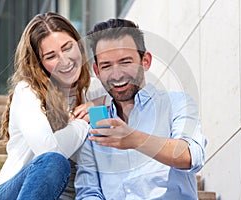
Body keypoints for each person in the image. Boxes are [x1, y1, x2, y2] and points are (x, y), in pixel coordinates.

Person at [74, 19, 207, 200]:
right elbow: (88, 193)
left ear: (145, 61)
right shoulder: (93, 129)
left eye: (125, 62)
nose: (117, 74)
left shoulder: (177, 103)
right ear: (97, 71)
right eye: (106, 66)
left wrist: (134, 139)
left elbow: (191, 156)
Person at [0, 12, 107, 200]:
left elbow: (107, 142)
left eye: (67, 47)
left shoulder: (96, 91)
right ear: (39, 63)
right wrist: (83, 121)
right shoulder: (28, 92)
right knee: (53, 161)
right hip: (13, 195)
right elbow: (50, 152)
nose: (64, 60)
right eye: (51, 56)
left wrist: (99, 110)